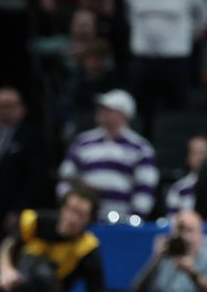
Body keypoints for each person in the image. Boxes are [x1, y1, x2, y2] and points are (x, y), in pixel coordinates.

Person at [123, 0, 207, 138]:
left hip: (175, 60)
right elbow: (129, 15)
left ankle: (175, 147)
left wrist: (188, 36)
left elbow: (204, 16)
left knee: (176, 109)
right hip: (143, 59)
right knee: (141, 108)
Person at [57, 90, 159, 221]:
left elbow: (146, 189)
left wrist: (133, 219)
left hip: (121, 222)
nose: (101, 111)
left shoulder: (140, 148)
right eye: (101, 108)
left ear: (124, 115)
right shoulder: (83, 142)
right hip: (82, 220)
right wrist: (70, 209)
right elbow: (66, 178)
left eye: (108, 109)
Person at [0, 87, 42, 245]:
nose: (5, 111)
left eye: (10, 106)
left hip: (13, 211)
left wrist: (19, 210)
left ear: (22, 108)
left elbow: (35, 179)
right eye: (1, 106)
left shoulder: (31, 137)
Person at [166, 136, 207, 218]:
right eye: (195, 153)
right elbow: (172, 220)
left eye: (204, 153)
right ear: (187, 158)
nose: (201, 158)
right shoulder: (179, 189)